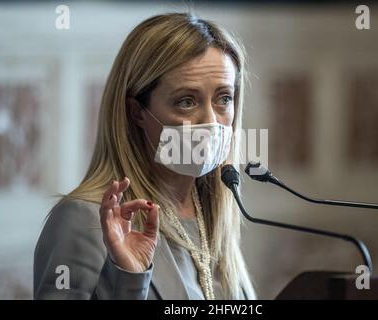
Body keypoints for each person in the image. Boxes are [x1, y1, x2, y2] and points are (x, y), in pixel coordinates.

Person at [34, 12, 256, 300]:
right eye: (186, 101)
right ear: (137, 111)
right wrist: (128, 280)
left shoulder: (213, 212)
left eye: (224, 98)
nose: (210, 120)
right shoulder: (82, 219)